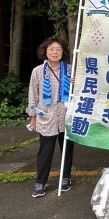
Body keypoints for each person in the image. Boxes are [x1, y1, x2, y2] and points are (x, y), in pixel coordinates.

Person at [26, 37, 74, 198]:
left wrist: (76, 82)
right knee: (45, 151)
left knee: (67, 149)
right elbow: (33, 95)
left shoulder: (70, 70)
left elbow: (80, 92)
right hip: (46, 117)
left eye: (58, 49)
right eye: (51, 49)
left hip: (66, 116)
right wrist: (33, 117)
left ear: (63, 52)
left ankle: (66, 177)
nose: (55, 52)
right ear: (45, 52)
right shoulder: (37, 71)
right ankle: (40, 181)